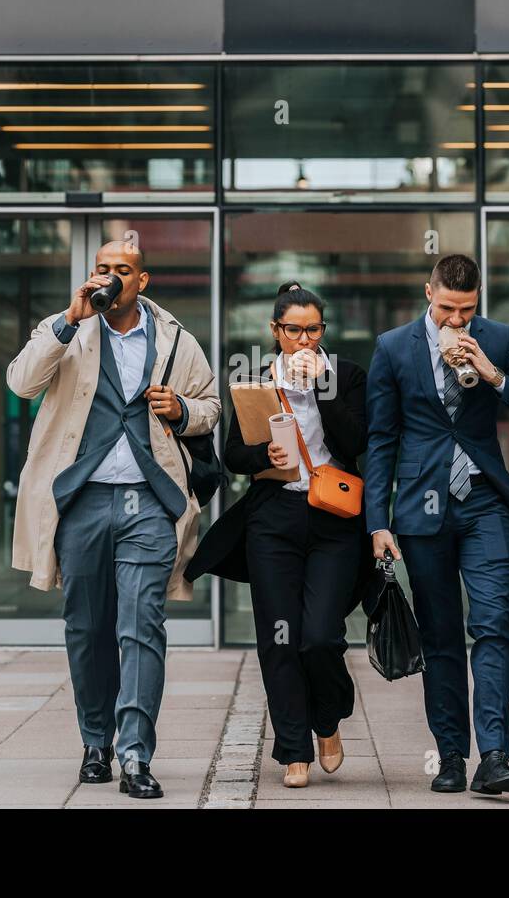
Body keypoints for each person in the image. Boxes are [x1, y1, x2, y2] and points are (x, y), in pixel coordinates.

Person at [6, 239, 221, 800]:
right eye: (103, 268)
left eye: (122, 270)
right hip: (82, 499)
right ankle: (95, 742)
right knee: (87, 627)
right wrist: (67, 320)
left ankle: (134, 754)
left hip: (150, 502)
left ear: (141, 281)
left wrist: (182, 410)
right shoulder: (67, 329)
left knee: (141, 624)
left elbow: (210, 407)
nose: (111, 277)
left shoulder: (176, 340)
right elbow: (20, 382)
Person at [364, 253, 509, 796]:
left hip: (483, 503)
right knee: (441, 635)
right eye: (448, 308)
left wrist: (494, 375)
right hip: (421, 509)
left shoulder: (499, 338)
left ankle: (494, 756)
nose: (456, 320)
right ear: (429, 293)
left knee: (494, 622)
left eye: (467, 310)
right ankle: (450, 754)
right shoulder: (393, 347)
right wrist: (377, 520)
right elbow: (380, 440)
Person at [188, 283, 375, 788]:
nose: (304, 340)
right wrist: (261, 458)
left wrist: (322, 386)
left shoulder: (347, 376)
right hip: (273, 518)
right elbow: (233, 456)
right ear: (275, 332)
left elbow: (356, 441)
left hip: (334, 519)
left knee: (320, 636)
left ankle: (329, 719)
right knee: (279, 638)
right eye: (294, 330)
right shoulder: (252, 382)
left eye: (314, 330)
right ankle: (294, 748)